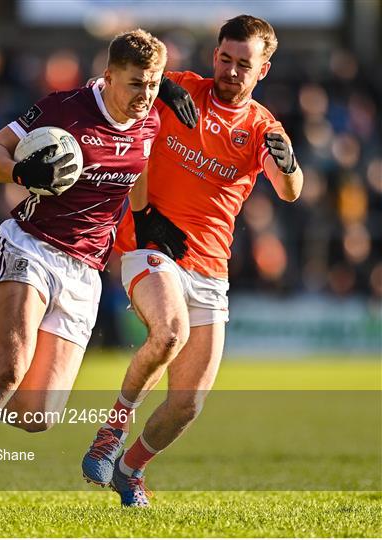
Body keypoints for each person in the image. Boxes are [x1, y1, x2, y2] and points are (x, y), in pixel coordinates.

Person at [0, 29, 191, 522]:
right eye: (136, 83)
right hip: (31, 247)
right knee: (6, 371)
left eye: (153, 84)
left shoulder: (152, 117)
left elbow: (136, 172)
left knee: (36, 416)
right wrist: (25, 174)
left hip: (84, 271)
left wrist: (147, 220)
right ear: (107, 76)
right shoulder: (64, 109)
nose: (145, 95)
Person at [82, 14, 304, 507]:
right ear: (214, 56)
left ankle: (131, 469)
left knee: (188, 403)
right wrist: (160, 91)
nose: (230, 70)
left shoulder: (263, 126)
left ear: (263, 69)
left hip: (210, 265)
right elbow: (117, 88)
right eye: (224, 58)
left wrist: (288, 163)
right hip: (151, 244)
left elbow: (290, 191)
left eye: (243, 63)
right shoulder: (179, 87)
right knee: (168, 333)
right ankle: (110, 432)